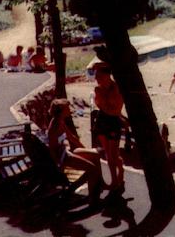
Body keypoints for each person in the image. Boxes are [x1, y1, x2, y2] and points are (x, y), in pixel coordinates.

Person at [47, 98, 103, 205]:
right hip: (64, 157)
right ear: (61, 111)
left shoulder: (60, 121)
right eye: (67, 108)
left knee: (95, 155)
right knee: (92, 169)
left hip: (68, 152)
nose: (70, 110)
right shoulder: (54, 127)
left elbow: (72, 137)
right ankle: (90, 197)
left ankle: (98, 186)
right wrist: (59, 167)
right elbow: (52, 149)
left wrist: (85, 149)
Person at [93, 63, 125, 193]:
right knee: (108, 154)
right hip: (103, 120)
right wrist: (107, 107)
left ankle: (119, 175)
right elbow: (101, 105)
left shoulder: (116, 87)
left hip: (112, 122)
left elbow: (116, 109)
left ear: (106, 76)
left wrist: (106, 106)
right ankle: (114, 181)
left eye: (99, 76)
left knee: (113, 154)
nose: (96, 79)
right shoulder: (98, 89)